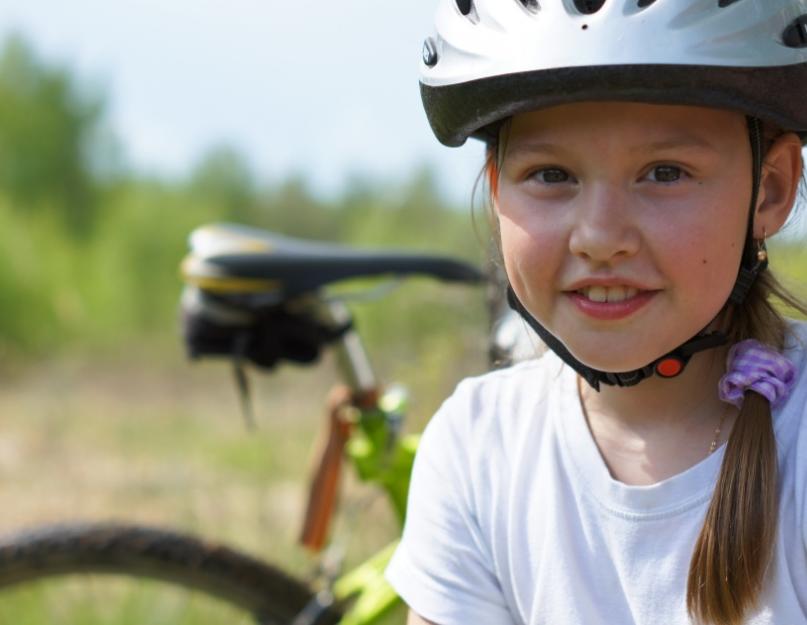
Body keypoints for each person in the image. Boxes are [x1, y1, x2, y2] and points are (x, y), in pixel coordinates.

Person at [384, 2, 807, 624]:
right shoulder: (478, 450)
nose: (600, 237)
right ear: (497, 191)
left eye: (665, 173)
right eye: (551, 174)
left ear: (770, 190)